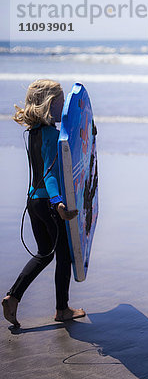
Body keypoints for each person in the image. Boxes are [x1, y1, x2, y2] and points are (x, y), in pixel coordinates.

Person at [2, 79, 85, 328]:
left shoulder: (33, 133)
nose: (64, 108)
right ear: (50, 104)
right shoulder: (51, 134)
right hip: (49, 204)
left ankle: (13, 296)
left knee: (43, 254)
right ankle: (62, 309)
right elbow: (50, 173)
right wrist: (59, 202)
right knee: (63, 256)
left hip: (33, 201)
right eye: (61, 103)